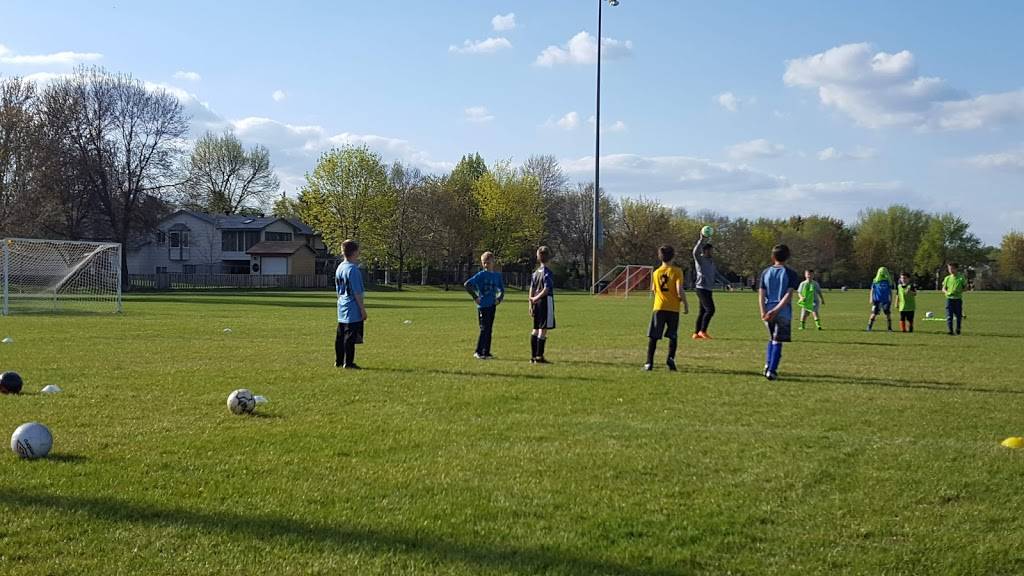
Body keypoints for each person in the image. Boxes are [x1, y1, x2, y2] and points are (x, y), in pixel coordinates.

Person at [758, 244, 801, 381]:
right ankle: (772, 370)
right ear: (787, 257)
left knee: (772, 338)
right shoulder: (790, 273)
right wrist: (776, 310)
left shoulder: (765, 272)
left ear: (772, 257)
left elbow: (761, 293)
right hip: (782, 312)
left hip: (767, 310)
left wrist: (763, 311)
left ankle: (767, 365)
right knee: (778, 340)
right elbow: (788, 295)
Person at [645, 245, 689, 372]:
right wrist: (685, 303)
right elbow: (679, 290)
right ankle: (670, 360)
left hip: (659, 307)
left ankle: (649, 363)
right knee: (672, 335)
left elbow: (653, 290)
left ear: (660, 257)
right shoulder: (677, 271)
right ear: (673, 256)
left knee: (653, 336)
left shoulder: (656, 272)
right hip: (673, 308)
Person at [464, 251, 505, 359]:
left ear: (493, 262)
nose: (486, 265)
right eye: (484, 263)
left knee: (489, 329)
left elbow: (501, 290)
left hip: (492, 305)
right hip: (483, 306)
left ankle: (486, 351)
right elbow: (467, 284)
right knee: (484, 328)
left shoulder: (497, 276)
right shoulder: (481, 275)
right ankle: (478, 351)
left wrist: (499, 299)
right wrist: (475, 297)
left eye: (488, 262)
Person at [335, 239, 367, 369]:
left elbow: (338, 289)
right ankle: (348, 363)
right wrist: (362, 310)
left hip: (342, 305)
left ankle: (338, 360)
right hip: (352, 307)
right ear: (354, 252)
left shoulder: (340, 267)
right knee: (350, 337)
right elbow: (357, 292)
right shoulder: (353, 269)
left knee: (340, 335)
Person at [528, 246, 555, 364]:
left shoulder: (535, 273)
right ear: (549, 258)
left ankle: (533, 356)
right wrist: (536, 297)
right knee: (542, 330)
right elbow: (546, 289)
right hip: (544, 302)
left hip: (536, 303)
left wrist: (531, 302)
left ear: (538, 258)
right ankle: (539, 357)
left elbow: (532, 288)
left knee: (535, 329)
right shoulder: (547, 272)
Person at [692, 232, 716, 340]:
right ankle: (703, 331)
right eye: (710, 250)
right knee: (710, 310)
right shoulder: (701, 259)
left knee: (702, 311)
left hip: (708, 289)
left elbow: (717, 274)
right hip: (701, 288)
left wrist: (727, 283)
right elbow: (695, 253)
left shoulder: (711, 261)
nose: (712, 252)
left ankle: (696, 333)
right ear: (705, 251)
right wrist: (701, 240)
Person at [942, 262, 967, 335]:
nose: (951, 270)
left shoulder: (961, 277)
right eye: (949, 269)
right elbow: (943, 288)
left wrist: (959, 291)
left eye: (952, 268)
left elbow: (965, 288)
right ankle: (950, 330)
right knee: (949, 315)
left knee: (958, 315)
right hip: (949, 299)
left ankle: (958, 329)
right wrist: (946, 292)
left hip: (958, 299)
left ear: (956, 269)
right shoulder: (947, 278)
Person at [867, 267, 894, 332]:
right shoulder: (875, 280)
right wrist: (871, 298)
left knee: (888, 314)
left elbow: (890, 291)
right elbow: (872, 290)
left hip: (886, 300)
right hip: (877, 300)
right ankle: (869, 326)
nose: (882, 273)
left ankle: (889, 328)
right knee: (874, 313)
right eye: (881, 272)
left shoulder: (888, 281)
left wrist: (891, 298)